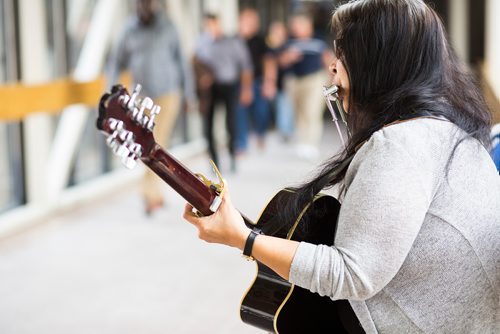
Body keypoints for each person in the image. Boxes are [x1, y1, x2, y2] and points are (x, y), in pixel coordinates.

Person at [183, 0, 500, 333]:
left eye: (344, 53)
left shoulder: (401, 145)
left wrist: (243, 239)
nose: (333, 67)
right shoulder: (440, 130)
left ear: (377, 61)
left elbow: (352, 274)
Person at [107, 0, 195, 215]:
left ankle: (150, 194)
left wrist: (189, 95)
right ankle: (153, 194)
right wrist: (111, 94)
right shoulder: (129, 29)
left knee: (157, 142)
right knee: (147, 144)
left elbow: (181, 61)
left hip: (168, 94)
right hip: (143, 97)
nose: (145, 7)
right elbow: (115, 62)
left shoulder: (168, 26)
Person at [194, 13, 253, 172]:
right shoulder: (201, 43)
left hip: (229, 85)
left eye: (212, 25)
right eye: (207, 26)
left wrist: (246, 89)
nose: (210, 29)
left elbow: (246, 67)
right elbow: (195, 64)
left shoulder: (233, 42)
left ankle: (233, 156)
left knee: (231, 123)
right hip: (210, 89)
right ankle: (214, 163)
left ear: (218, 24)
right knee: (208, 126)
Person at [280, 11, 333, 161]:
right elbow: (281, 62)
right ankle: (302, 142)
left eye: (300, 25)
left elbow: (328, 60)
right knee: (299, 112)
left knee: (312, 111)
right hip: (295, 81)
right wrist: (289, 57)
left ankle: (311, 143)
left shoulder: (318, 41)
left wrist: (331, 79)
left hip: (315, 79)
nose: (297, 28)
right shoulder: (290, 42)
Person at [235, 8, 275, 153]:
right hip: (239, 82)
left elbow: (269, 61)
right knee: (240, 114)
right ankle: (241, 144)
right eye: (245, 21)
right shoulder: (235, 40)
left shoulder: (261, 40)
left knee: (261, 112)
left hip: (258, 81)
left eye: (251, 21)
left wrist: (269, 82)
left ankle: (261, 134)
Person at [266, 20, 294, 142]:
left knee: (285, 106)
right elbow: (270, 64)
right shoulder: (271, 47)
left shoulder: (289, 45)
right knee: (281, 106)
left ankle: (286, 130)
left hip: (287, 81)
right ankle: (283, 129)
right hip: (276, 82)